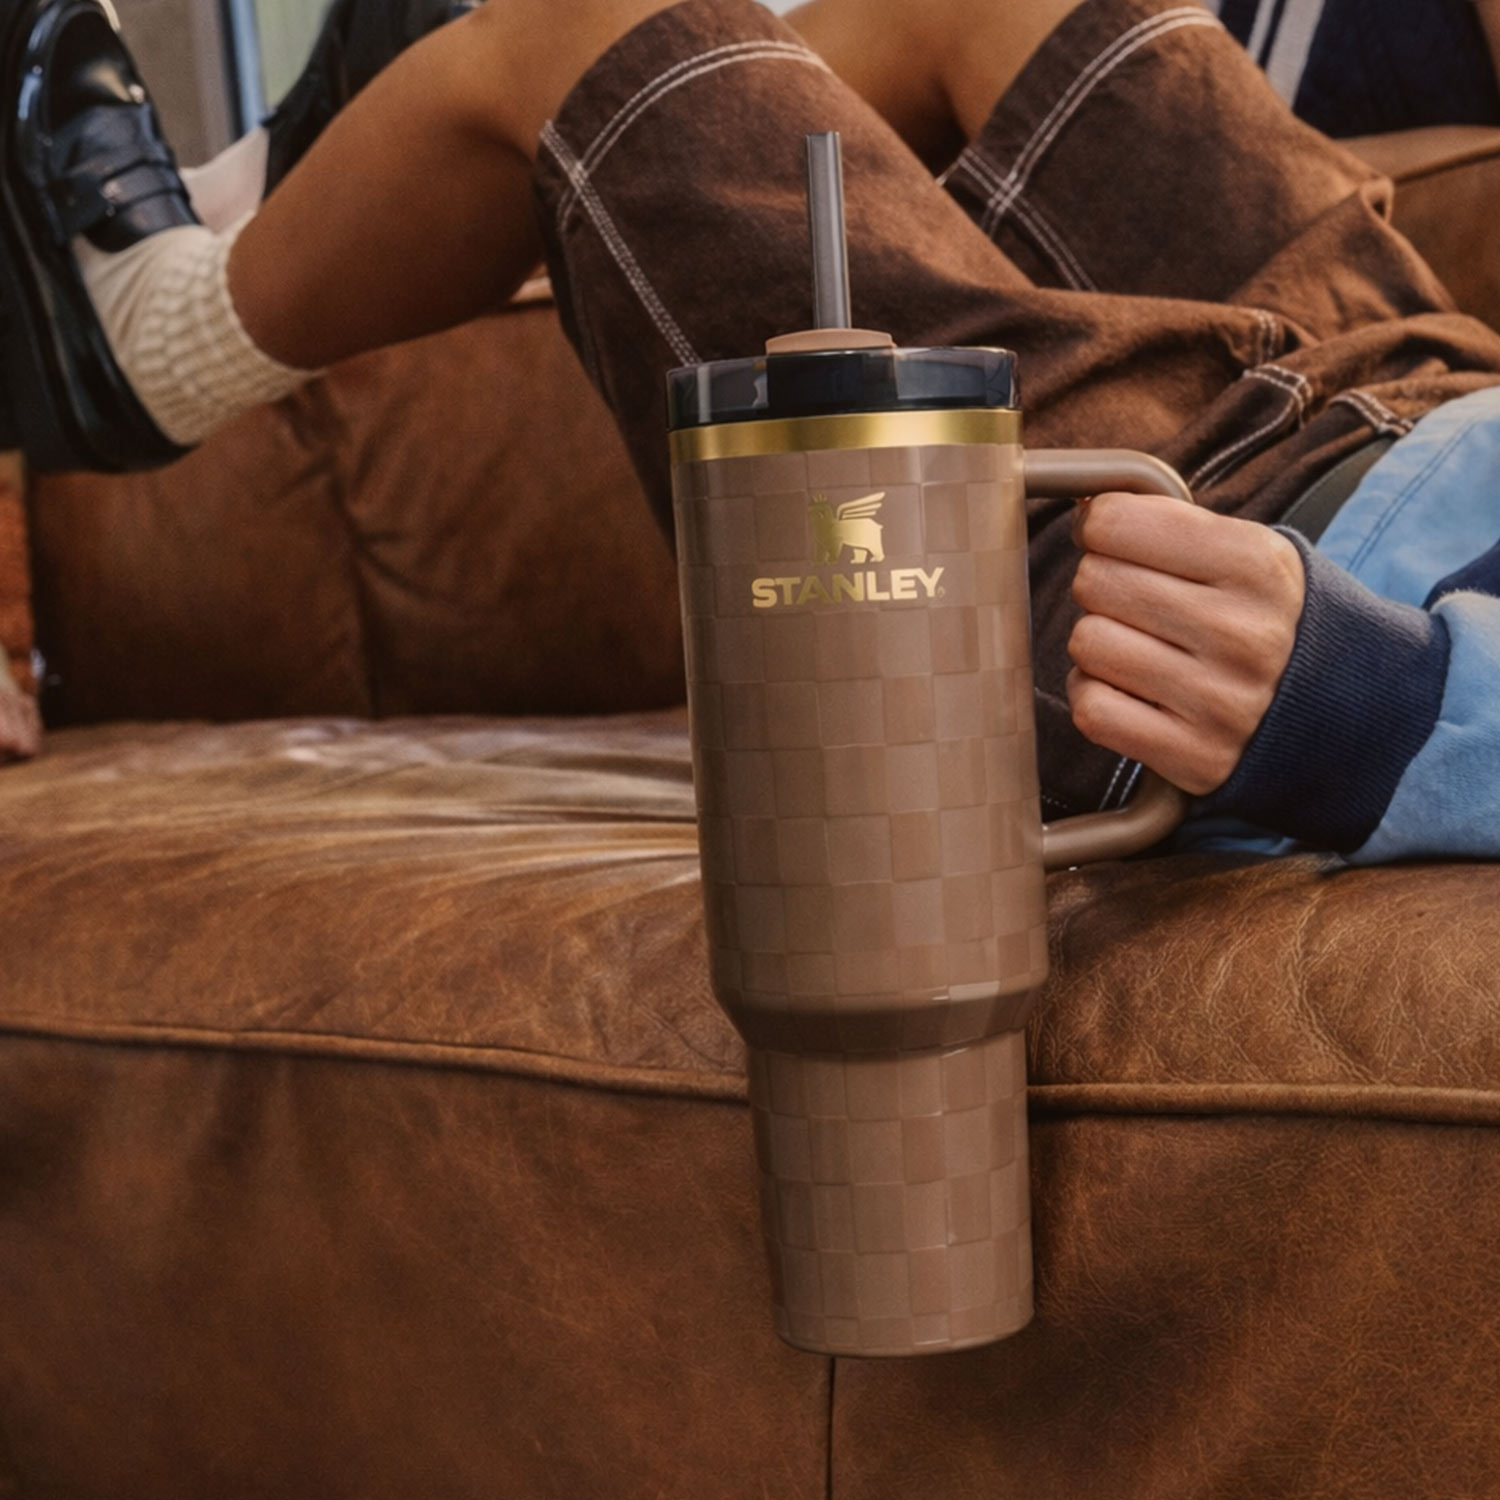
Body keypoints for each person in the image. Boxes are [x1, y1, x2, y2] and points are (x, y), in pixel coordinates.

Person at [3, 0, 1500, 864]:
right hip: (1433, 402)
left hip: (1272, 586)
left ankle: (155, 349)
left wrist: (1376, 705)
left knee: (578, 30)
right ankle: (336, 180)